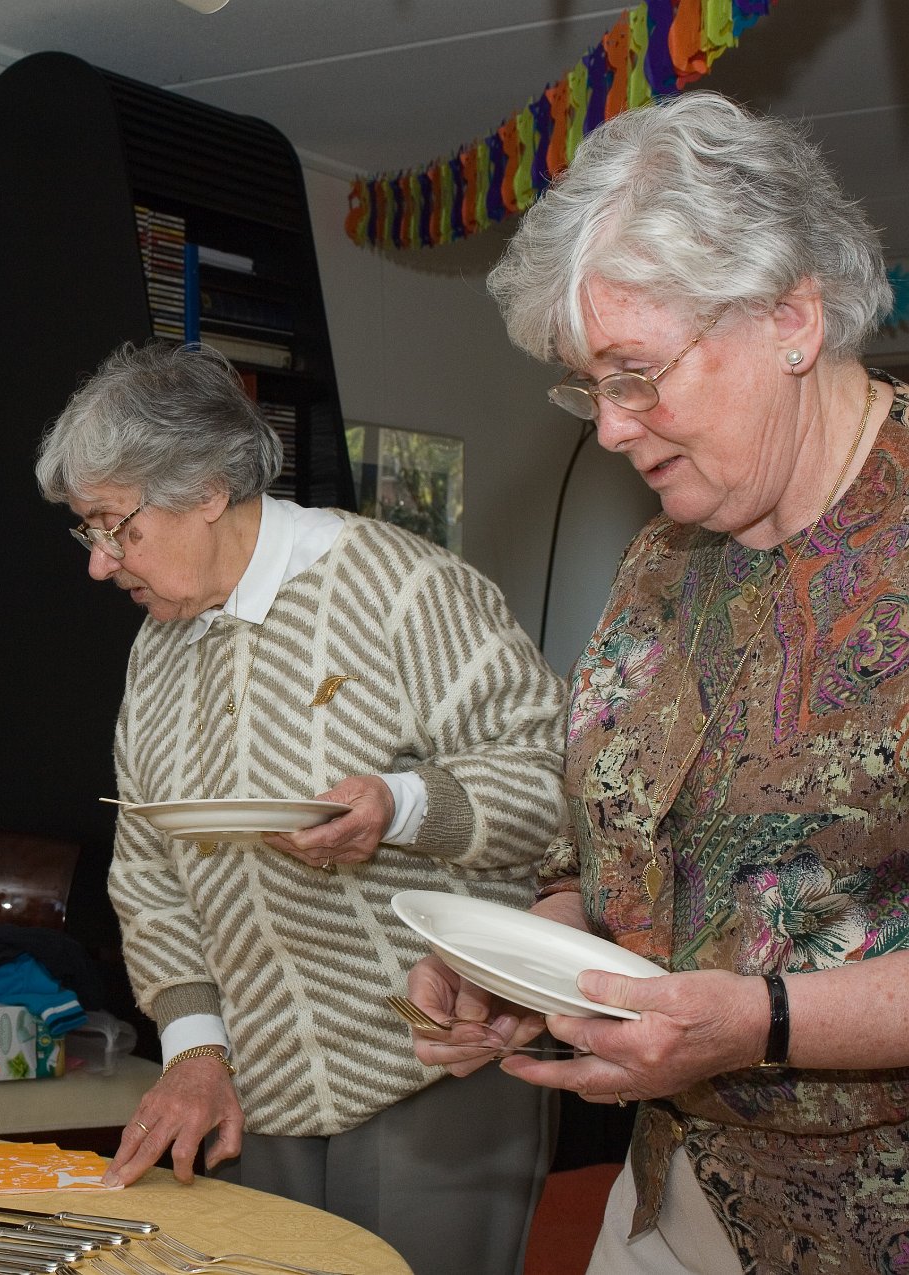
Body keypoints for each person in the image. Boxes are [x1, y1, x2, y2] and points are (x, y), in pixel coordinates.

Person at [403, 90, 909, 1274]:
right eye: (589, 386)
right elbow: (609, 854)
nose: (613, 430)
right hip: (666, 1198)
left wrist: (762, 1024)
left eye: (636, 374)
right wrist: (527, 963)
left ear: (792, 318)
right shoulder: (664, 560)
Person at [35, 340, 568, 1275]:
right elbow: (148, 874)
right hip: (253, 1083)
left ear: (207, 489)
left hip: (433, 1058)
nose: (101, 563)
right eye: (89, 533)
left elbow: (555, 789)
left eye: (117, 527)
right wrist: (195, 1048)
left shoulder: (405, 589)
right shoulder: (157, 646)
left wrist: (399, 805)